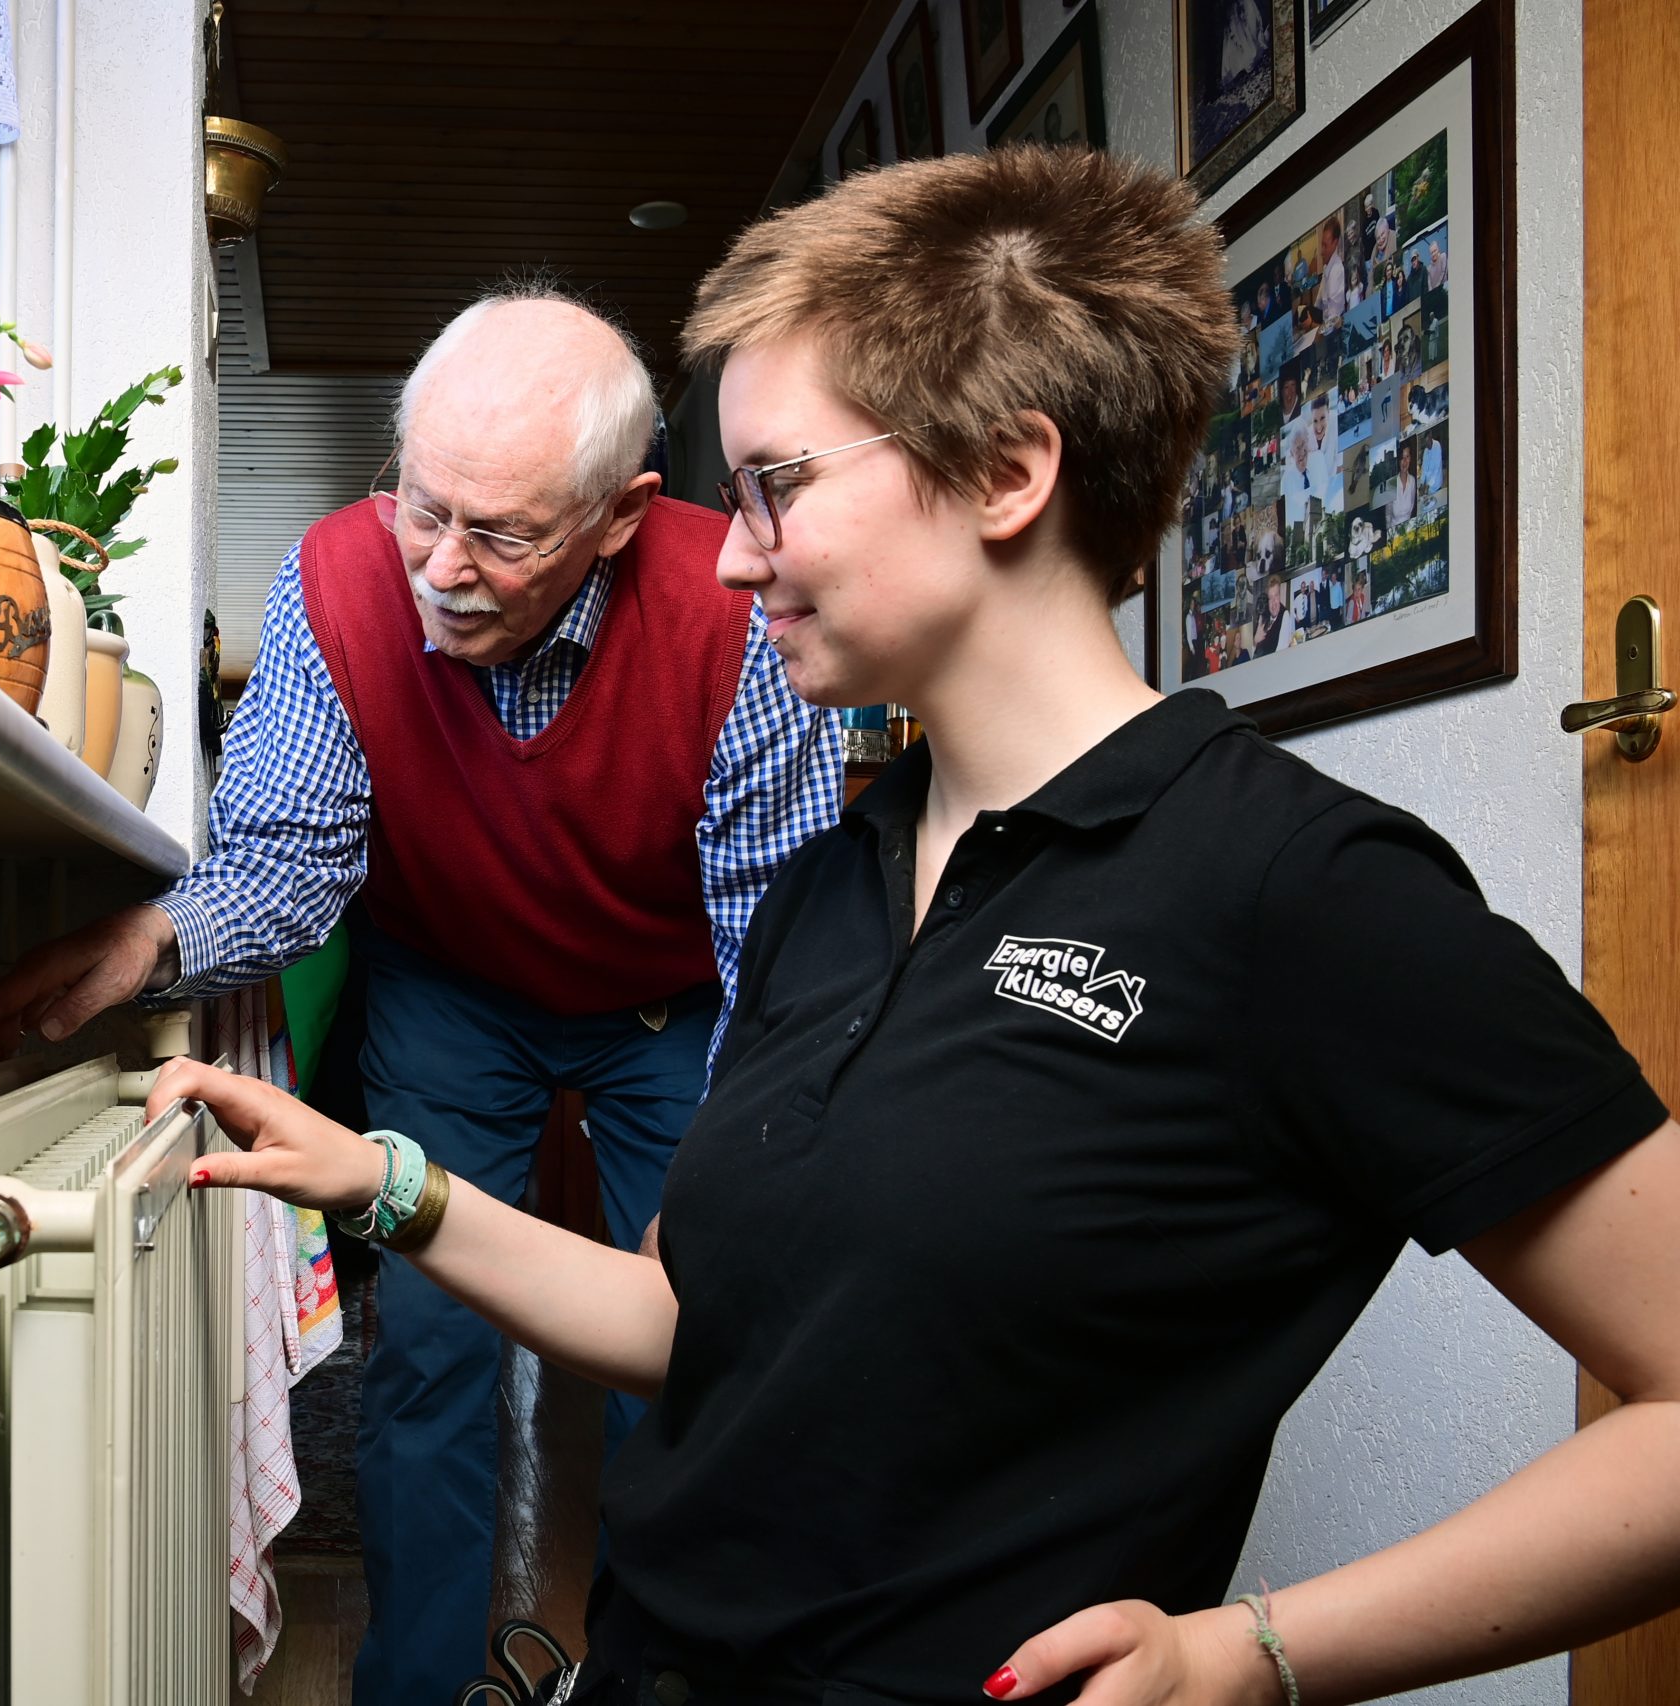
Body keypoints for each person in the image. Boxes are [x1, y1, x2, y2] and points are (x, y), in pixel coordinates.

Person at [152, 146, 1680, 1706]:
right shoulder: (837, 880)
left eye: (775, 485)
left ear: (1009, 476)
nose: (731, 550)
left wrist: (1255, 1654)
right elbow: (693, 1321)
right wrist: (382, 1179)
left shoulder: (1301, 890)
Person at [0, 288, 845, 1704]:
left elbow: (774, 943)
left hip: (679, 997)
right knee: (431, 1348)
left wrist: (736, 1168)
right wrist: (153, 939)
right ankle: (422, 1686)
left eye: (504, 534)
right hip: (451, 982)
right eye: (422, 506)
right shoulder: (337, 578)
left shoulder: (737, 609)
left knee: (691, 1331)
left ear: (621, 516)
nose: (440, 565)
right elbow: (291, 865)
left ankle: (655, 1673)